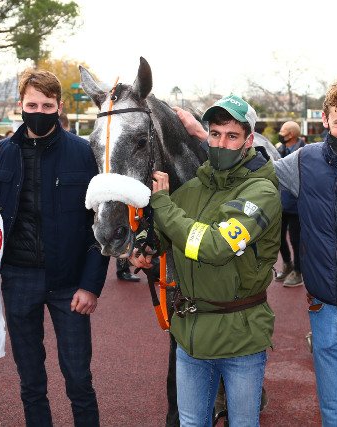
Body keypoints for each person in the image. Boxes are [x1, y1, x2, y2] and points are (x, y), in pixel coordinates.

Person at [174, 77, 337, 426]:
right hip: (323, 311)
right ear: (324, 119)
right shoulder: (302, 162)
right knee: (334, 414)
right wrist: (201, 134)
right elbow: (250, 166)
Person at [130, 95, 281, 426]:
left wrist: (163, 204)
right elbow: (165, 234)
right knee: (190, 423)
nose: (221, 144)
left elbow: (214, 246)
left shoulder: (262, 192)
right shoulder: (192, 188)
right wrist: (145, 245)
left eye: (232, 136)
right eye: (215, 134)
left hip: (240, 337)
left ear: (249, 141)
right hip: (191, 335)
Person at [0, 68, 109, 427]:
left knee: (79, 379)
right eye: (32, 105)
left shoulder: (84, 154)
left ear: (59, 106)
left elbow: (100, 225)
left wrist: (91, 285)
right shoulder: (1, 154)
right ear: (20, 105)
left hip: (70, 284)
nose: (39, 112)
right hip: (18, 279)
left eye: (47, 105)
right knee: (30, 382)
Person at [274, 121, 305, 287]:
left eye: (283, 131)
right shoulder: (279, 150)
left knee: (296, 239)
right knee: (278, 237)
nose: (280, 133)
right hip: (281, 204)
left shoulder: (303, 153)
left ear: (291, 134)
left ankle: (299, 271)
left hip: (297, 206)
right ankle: (287, 264)